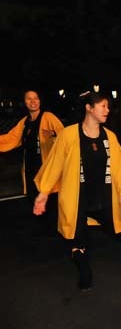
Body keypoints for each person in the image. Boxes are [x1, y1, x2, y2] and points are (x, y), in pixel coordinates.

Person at [33, 91, 121, 291]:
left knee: (118, 229)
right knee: (76, 237)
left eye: (108, 107)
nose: (107, 110)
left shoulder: (109, 137)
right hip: (76, 197)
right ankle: (85, 273)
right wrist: (43, 194)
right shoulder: (68, 135)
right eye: (103, 106)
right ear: (89, 108)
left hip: (104, 196)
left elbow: (119, 167)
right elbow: (55, 164)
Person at [0, 89, 64, 236]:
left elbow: (64, 136)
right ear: (25, 102)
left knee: (51, 201)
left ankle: (56, 232)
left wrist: (53, 136)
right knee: (33, 199)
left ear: (40, 101)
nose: (33, 101)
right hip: (30, 167)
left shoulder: (48, 117)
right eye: (29, 99)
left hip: (46, 168)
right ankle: (43, 232)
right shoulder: (24, 122)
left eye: (35, 98)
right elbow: (10, 139)